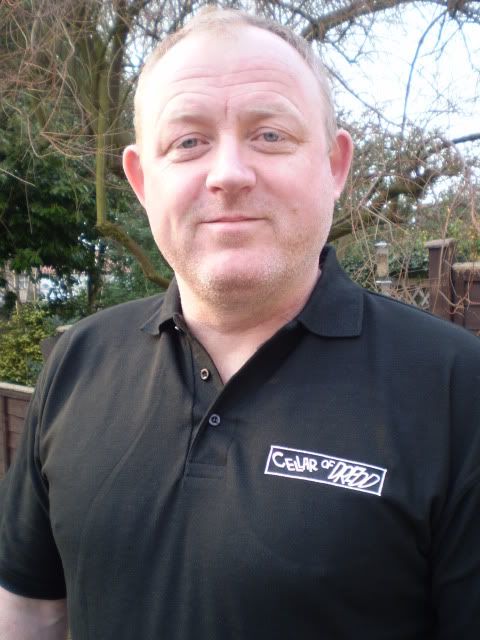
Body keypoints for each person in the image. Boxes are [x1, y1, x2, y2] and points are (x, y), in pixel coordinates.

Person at [0, 7, 479, 640]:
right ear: (141, 180)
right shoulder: (76, 362)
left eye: (270, 134)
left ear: (335, 165)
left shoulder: (457, 388)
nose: (228, 174)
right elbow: (30, 612)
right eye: (188, 141)